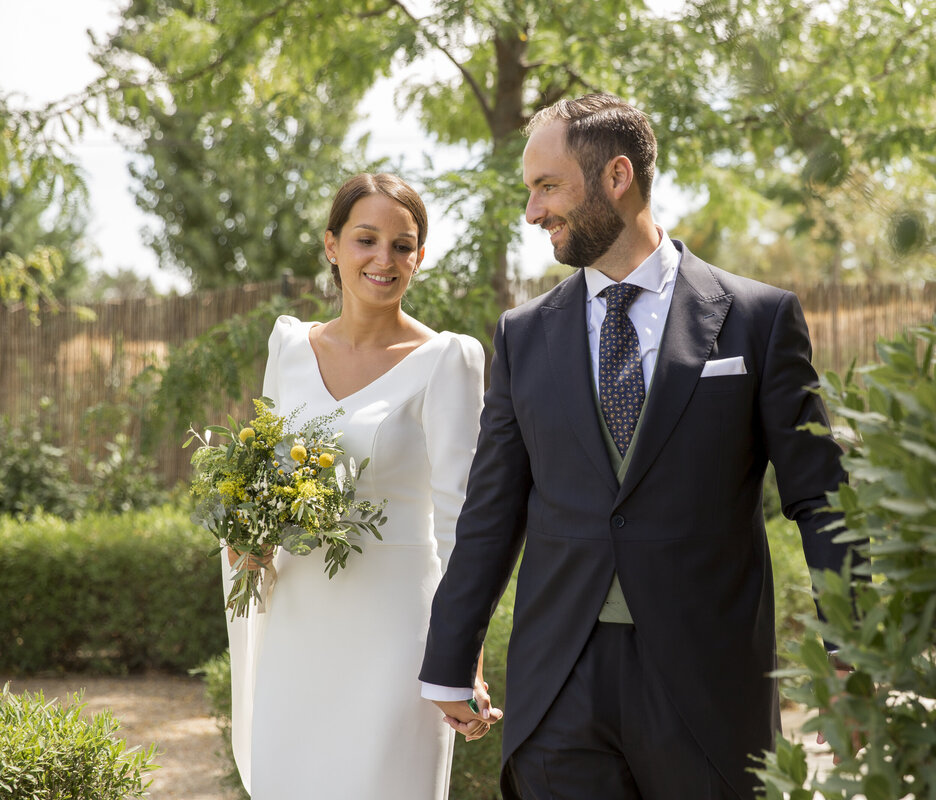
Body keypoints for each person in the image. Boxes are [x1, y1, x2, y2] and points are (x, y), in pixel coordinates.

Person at [419, 94, 854, 799]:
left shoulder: (758, 319)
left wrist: (849, 645)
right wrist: (450, 657)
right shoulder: (523, 336)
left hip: (707, 685)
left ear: (616, 177)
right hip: (559, 682)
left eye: (547, 186)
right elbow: (492, 508)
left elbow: (819, 493)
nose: (532, 213)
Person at [223, 172, 493, 799]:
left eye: (403, 246)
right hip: (297, 617)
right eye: (366, 239)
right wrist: (246, 537)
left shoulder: (448, 360)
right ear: (332, 245)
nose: (384, 259)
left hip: (399, 630)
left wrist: (464, 656)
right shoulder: (289, 346)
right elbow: (264, 469)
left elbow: (462, 521)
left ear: (420, 258)